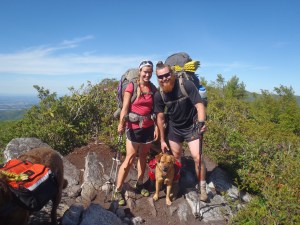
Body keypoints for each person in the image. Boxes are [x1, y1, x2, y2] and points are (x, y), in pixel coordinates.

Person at [154, 61, 208, 202]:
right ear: (157, 78)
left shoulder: (186, 85)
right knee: (176, 158)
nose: (164, 78)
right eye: (161, 77)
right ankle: (176, 183)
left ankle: (202, 188)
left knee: (197, 157)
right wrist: (162, 139)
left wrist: (201, 123)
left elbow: (199, 105)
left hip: (191, 126)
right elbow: (160, 118)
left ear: (172, 73)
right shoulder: (159, 95)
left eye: (167, 74)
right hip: (174, 129)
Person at [114, 60, 158, 206]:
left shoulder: (153, 88)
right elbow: (126, 107)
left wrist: (157, 127)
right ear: (140, 72)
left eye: (149, 72)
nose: (147, 74)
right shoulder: (132, 86)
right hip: (133, 127)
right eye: (145, 71)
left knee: (144, 156)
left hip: (148, 127)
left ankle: (140, 183)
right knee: (130, 157)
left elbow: (156, 111)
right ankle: (118, 188)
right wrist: (121, 123)